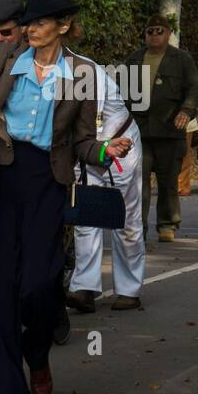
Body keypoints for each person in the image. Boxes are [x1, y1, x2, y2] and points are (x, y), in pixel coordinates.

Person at [0, 0, 128, 394]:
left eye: (40, 22)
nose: (30, 29)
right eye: (28, 22)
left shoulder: (82, 73)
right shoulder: (5, 60)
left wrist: (104, 150)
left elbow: (81, 140)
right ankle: (7, 387)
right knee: (0, 281)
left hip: (47, 178)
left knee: (40, 284)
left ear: (63, 25)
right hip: (1, 175)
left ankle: (37, 353)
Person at [67, 59, 144, 312]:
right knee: (85, 217)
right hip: (85, 149)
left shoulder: (84, 71)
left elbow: (92, 120)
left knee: (126, 218)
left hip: (119, 143)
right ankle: (84, 287)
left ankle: (129, 289)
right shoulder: (40, 70)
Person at [124, 14, 198, 242]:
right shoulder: (133, 60)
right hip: (140, 131)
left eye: (160, 31)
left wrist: (186, 111)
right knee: (139, 182)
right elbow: (121, 93)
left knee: (168, 180)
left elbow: (194, 88)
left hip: (169, 130)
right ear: (144, 35)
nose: (155, 35)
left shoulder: (181, 59)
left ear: (168, 34)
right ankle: (138, 227)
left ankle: (167, 224)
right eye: (150, 31)